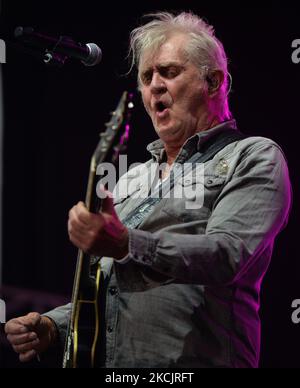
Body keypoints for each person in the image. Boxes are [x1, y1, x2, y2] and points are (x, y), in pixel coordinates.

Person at [5, 11, 292, 368]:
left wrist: (128, 243)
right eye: (146, 76)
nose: (154, 85)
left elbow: (227, 254)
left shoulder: (254, 156)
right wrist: (53, 325)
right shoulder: (132, 177)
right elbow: (110, 288)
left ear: (214, 82)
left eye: (169, 72)